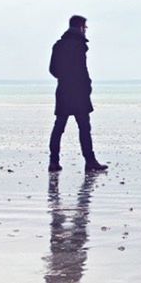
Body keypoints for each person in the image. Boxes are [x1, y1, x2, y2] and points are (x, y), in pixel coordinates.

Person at [48, 15, 107, 173]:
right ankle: (90, 161)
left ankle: (54, 162)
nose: (86, 31)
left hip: (64, 90)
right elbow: (82, 70)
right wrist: (86, 85)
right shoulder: (79, 45)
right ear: (80, 27)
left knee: (59, 127)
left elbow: (52, 69)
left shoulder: (59, 45)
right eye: (85, 27)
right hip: (78, 92)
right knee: (84, 128)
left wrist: (64, 78)